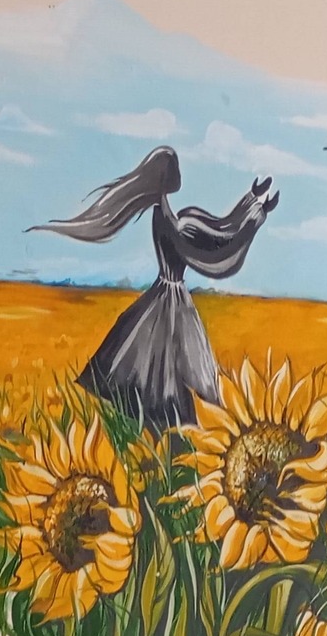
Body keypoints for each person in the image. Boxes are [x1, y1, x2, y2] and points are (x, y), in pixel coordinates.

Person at [30, 146, 277, 428]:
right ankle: (171, 422)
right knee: (170, 364)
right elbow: (210, 254)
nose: (180, 174)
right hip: (172, 298)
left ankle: (166, 422)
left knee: (160, 362)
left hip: (165, 294)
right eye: (175, 170)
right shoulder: (171, 222)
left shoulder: (172, 216)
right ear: (165, 178)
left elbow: (218, 229)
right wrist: (254, 219)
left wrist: (251, 201)